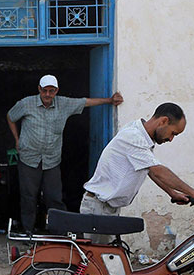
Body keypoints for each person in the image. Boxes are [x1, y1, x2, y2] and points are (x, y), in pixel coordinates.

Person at [81, 102, 194, 243]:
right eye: (173, 133)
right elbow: (158, 171)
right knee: (98, 261)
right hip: (99, 208)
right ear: (163, 121)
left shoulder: (142, 135)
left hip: (106, 207)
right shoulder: (134, 137)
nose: (171, 139)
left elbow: (148, 169)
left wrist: (172, 193)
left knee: (110, 258)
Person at [7, 74, 123, 234]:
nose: (48, 95)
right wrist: (17, 139)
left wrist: (109, 100)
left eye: (52, 91)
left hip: (51, 160)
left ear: (57, 91)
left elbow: (86, 102)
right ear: (39, 89)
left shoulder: (64, 104)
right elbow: (11, 116)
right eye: (45, 91)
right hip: (28, 158)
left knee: (54, 197)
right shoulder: (26, 104)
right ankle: (28, 232)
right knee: (28, 197)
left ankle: (60, 232)